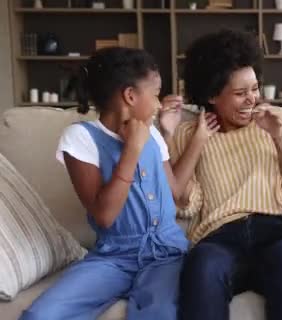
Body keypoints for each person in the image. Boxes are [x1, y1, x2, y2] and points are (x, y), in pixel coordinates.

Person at [21, 47, 211, 320]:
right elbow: (105, 215)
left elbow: (175, 192)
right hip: (114, 258)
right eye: (155, 95)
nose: (159, 105)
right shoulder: (80, 138)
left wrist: (191, 139)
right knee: (40, 316)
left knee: (159, 313)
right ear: (130, 96)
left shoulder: (154, 134)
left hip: (166, 254)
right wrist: (132, 148)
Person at [161, 30, 282, 320]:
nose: (252, 100)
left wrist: (279, 138)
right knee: (203, 264)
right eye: (240, 93)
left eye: (255, 89)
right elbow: (180, 200)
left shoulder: (275, 120)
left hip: (274, 231)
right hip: (220, 237)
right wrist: (197, 141)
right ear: (211, 95)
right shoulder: (187, 133)